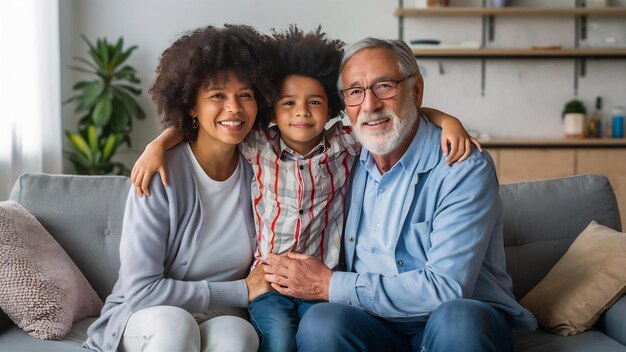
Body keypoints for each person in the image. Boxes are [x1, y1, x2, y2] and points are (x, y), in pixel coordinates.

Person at [131, 27, 481, 352]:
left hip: (329, 283)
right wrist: (160, 143)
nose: (301, 113)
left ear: (331, 107)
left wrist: (448, 121)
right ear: (272, 109)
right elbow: (216, 125)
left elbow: (392, 114)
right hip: (271, 284)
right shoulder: (259, 145)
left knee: (451, 320)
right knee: (285, 338)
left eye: (314, 102)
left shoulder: (347, 147)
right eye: (288, 104)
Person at [262, 38, 538, 352]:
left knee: (459, 320)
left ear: (416, 90)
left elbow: (447, 288)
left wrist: (328, 284)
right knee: (322, 323)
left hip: (455, 319)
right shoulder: (343, 158)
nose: (369, 105)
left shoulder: (462, 166)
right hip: (373, 322)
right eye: (355, 92)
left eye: (384, 86)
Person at [84, 25, 280, 352]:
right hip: (148, 315)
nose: (234, 108)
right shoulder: (160, 173)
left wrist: (163, 138)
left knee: (240, 336)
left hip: (219, 314)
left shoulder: (262, 165)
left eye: (245, 95)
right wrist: (241, 291)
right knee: (176, 326)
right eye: (217, 95)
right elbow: (142, 290)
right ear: (191, 105)